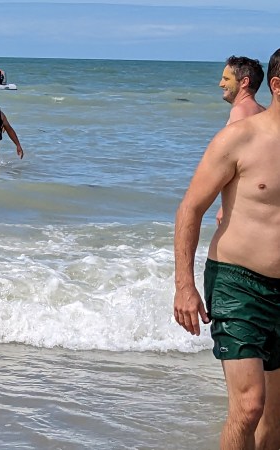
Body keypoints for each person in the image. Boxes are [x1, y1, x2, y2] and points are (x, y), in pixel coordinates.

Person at [173, 48, 280, 450]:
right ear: (277, 86)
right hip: (238, 283)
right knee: (249, 407)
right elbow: (190, 208)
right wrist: (184, 285)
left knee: (275, 418)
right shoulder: (239, 138)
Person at [214, 56, 265, 225]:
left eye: (226, 79)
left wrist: (225, 206)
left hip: (241, 204)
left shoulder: (240, 112)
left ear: (244, 82)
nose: (221, 84)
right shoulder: (263, 112)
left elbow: (241, 161)